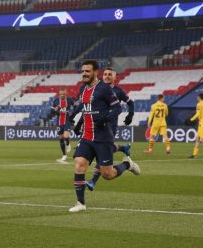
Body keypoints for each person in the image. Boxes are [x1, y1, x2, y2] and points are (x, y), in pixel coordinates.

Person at [69, 60, 141, 213]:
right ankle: (80, 203)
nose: (84, 74)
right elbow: (87, 109)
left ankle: (127, 165)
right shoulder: (82, 89)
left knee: (107, 174)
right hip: (86, 136)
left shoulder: (104, 89)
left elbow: (117, 108)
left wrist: (106, 119)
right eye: (82, 71)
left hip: (103, 138)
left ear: (95, 72)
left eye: (87, 71)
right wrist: (78, 123)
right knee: (79, 165)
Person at [50, 88, 75, 163]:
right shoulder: (56, 101)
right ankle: (64, 155)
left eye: (63, 94)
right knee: (60, 138)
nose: (62, 95)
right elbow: (52, 111)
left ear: (66, 93)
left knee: (66, 136)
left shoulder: (70, 100)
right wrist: (56, 109)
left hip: (67, 121)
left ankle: (67, 143)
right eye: (61, 94)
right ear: (59, 94)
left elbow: (74, 107)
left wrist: (71, 112)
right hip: (59, 121)